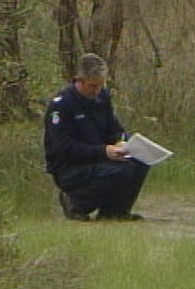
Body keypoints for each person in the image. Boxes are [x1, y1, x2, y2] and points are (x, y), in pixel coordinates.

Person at [43, 53, 149, 221]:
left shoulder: (102, 97)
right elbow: (62, 147)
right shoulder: (62, 105)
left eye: (101, 85)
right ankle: (76, 203)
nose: (97, 90)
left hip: (98, 158)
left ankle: (115, 212)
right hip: (71, 166)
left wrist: (121, 142)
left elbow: (113, 129)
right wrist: (103, 152)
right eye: (92, 86)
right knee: (120, 171)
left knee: (139, 162)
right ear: (79, 80)